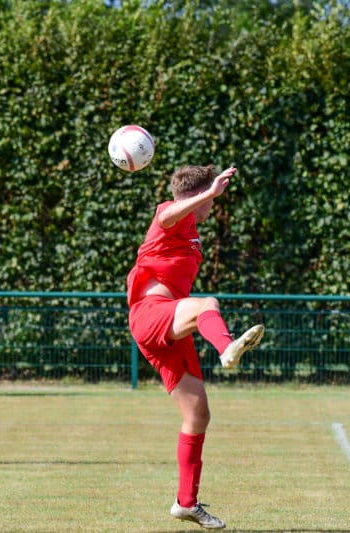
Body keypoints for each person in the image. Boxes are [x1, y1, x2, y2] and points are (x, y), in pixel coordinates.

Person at [127, 164, 264, 529]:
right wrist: (209, 192)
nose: (212, 206)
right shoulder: (168, 214)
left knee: (198, 415)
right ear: (197, 195)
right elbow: (167, 214)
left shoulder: (190, 230)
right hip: (151, 314)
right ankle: (226, 347)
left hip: (170, 324)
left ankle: (186, 504)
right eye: (209, 199)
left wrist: (207, 194)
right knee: (208, 304)